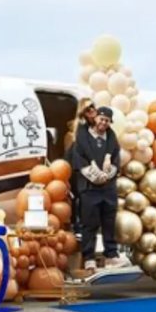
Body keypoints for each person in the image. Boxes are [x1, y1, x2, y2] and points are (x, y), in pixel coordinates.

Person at [73, 106, 130, 275]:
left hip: (108, 188)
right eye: (101, 119)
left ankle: (111, 255)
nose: (103, 123)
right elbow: (79, 161)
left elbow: (115, 162)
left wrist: (107, 174)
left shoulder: (111, 141)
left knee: (109, 222)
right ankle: (89, 258)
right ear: (95, 118)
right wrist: (95, 176)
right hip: (89, 188)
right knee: (89, 224)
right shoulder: (83, 139)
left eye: (107, 121)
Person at [64, 98, 99, 233]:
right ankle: (79, 226)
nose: (92, 110)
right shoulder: (83, 126)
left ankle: (81, 225)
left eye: (93, 107)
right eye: (89, 108)